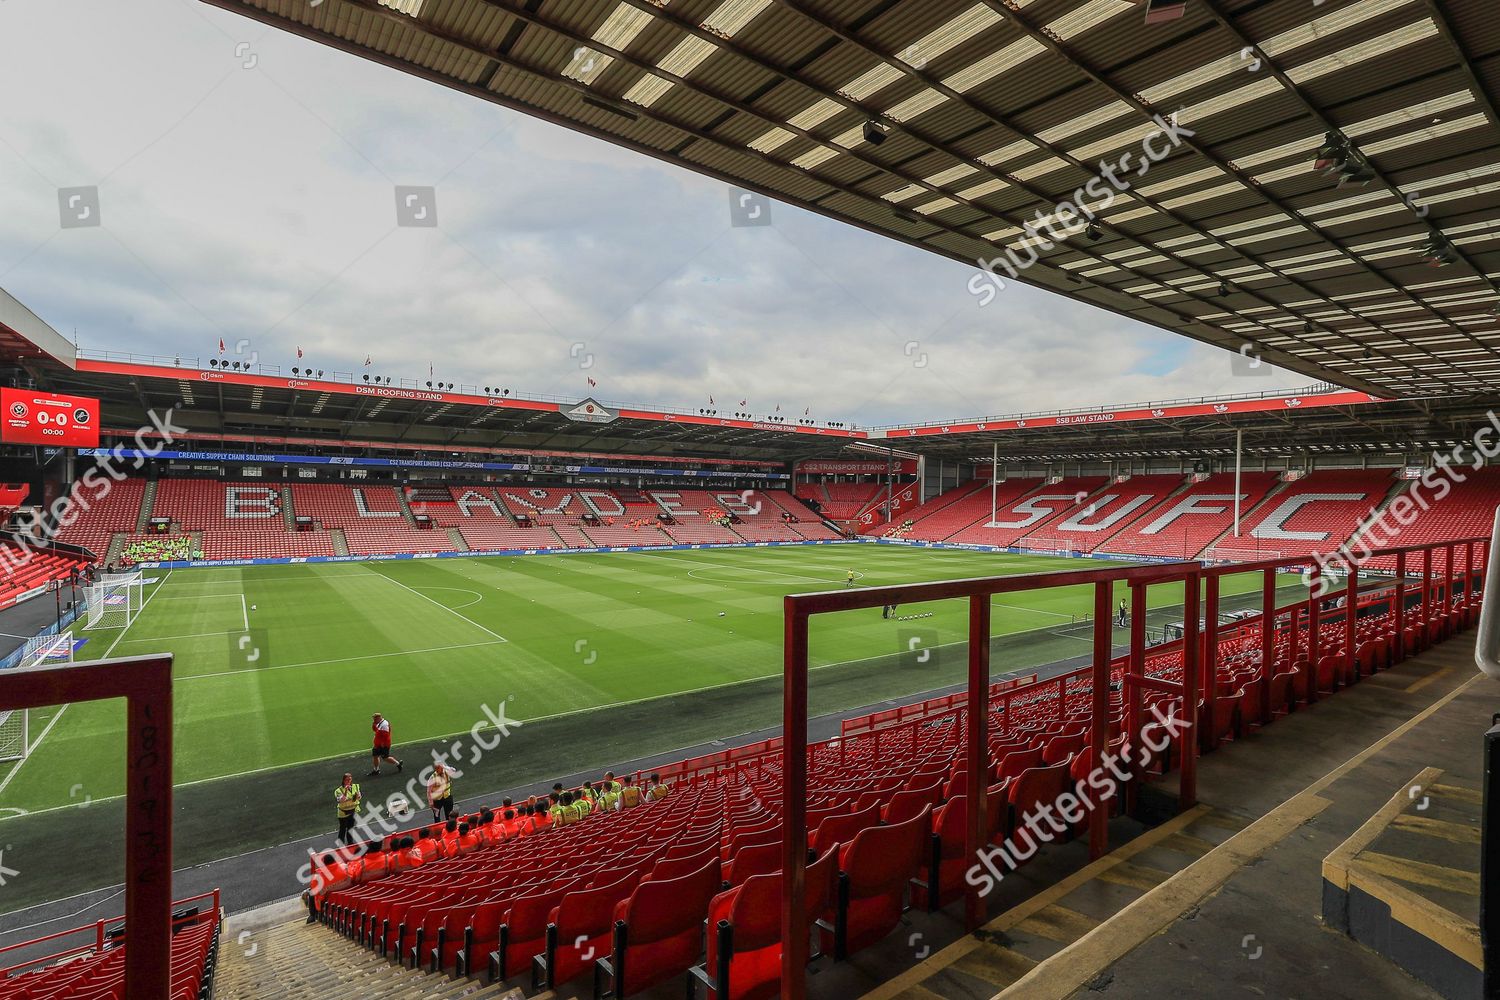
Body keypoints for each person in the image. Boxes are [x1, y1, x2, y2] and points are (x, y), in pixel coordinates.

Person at [334, 773, 362, 845]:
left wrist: (358, 795)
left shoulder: (355, 786)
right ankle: (341, 845)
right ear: (343, 780)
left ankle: (350, 843)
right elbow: (342, 800)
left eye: (350, 779)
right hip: (343, 813)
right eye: (347, 780)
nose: (349, 781)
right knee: (342, 829)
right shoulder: (338, 790)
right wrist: (346, 791)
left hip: (353, 811)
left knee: (351, 828)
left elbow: (359, 797)